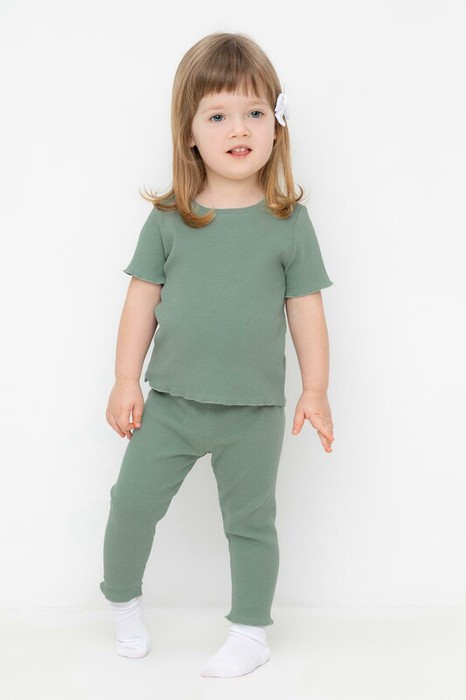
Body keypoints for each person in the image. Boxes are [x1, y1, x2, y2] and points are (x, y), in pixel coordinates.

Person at [99, 31, 335, 678]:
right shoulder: (170, 218)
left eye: (255, 112)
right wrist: (125, 380)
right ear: (190, 134)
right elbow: (140, 301)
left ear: (276, 127)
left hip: (253, 411)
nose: (240, 128)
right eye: (219, 114)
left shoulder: (289, 223)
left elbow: (306, 309)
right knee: (131, 505)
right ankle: (122, 602)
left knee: (252, 523)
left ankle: (251, 631)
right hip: (171, 404)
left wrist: (315, 389)